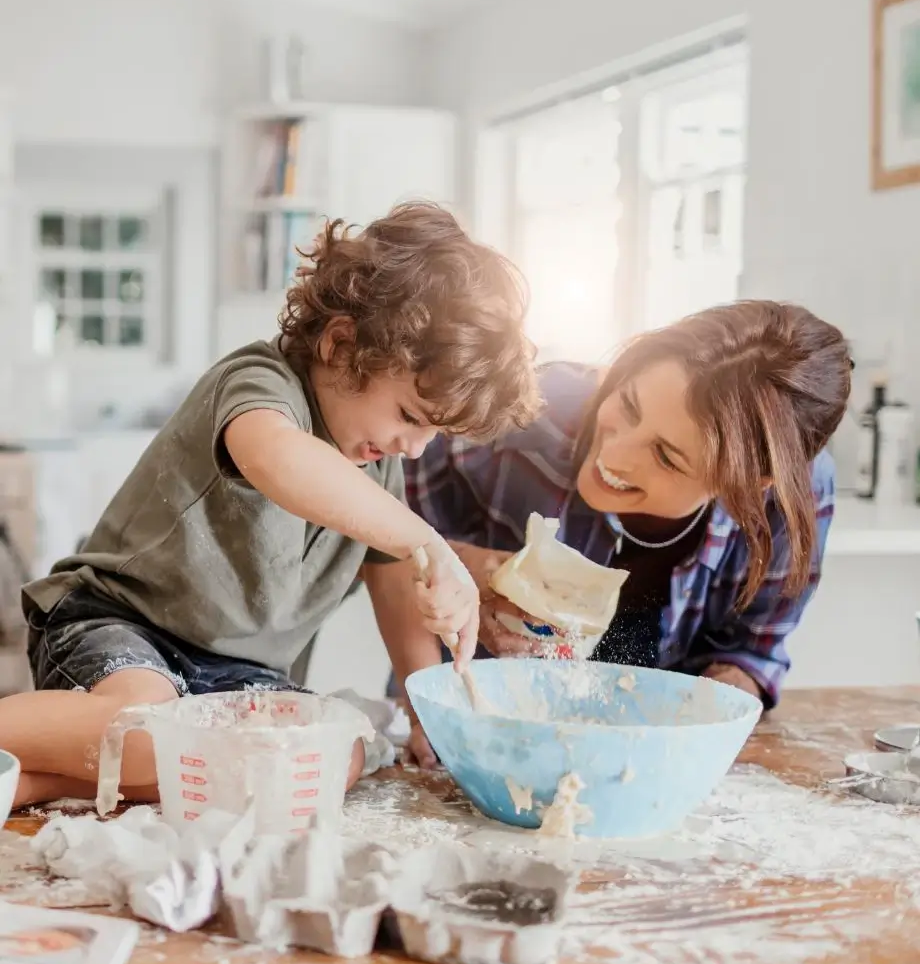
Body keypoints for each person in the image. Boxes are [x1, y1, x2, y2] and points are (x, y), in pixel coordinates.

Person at [0, 202, 540, 808]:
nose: (413, 449)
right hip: (122, 626)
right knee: (148, 733)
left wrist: (424, 712)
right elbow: (279, 459)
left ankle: (25, 783)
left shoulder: (377, 462)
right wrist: (428, 542)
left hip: (238, 678)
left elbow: (392, 585)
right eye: (410, 417)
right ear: (341, 344)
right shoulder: (263, 382)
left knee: (328, 759)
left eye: (433, 433)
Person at [402, 300, 852, 767]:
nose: (614, 456)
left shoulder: (789, 499)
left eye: (667, 456)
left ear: (746, 486)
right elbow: (373, 541)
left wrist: (707, 711)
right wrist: (462, 569)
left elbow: (751, 647)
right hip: (472, 729)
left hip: (657, 753)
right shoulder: (525, 410)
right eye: (630, 406)